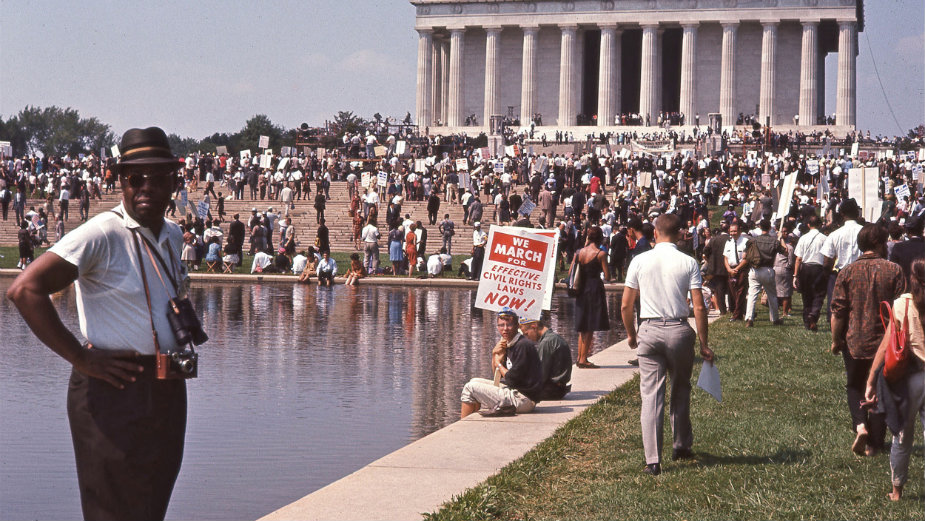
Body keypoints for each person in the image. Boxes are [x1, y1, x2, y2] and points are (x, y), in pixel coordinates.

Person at [6, 127, 191, 520]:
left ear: (173, 181)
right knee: (111, 508)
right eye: (136, 178)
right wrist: (79, 357)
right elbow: (24, 290)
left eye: (157, 177)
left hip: (166, 384)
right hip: (112, 385)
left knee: (152, 505)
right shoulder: (103, 233)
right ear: (121, 180)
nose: (146, 187)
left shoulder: (172, 234)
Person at [621, 214, 713, 476]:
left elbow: (626, 305)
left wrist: (631, 334)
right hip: (678, 329)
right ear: (680, 234)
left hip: (649, 329)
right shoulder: (688, 262)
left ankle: (652, 460)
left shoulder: (639, 260)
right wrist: (704, 343)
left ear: (655, 233)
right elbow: (698, 306)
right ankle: (681, 444)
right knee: (680, 387)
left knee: (651, 395)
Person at [831, 223, 906, 457]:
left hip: (854, 339)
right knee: (881, 390)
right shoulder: (894, 271)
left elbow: (838, 311)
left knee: (854, 385)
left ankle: (860, 425)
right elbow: (901, 309)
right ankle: (875, 444)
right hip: (885, 342)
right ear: (879, 244)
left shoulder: (846, 272)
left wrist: (836, 339)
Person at [864, 258, 925, 502]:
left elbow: (886, 345)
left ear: (913, 279)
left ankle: (897, 490)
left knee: (902, 436)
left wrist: (871, 379)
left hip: (908, 378)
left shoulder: (902, 304)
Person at [459, 308, 544, 418]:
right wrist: (495, 354)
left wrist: (498, 363)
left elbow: (511, 379)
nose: (505, 329)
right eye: (501, 325)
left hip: (524, 399)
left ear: (517, 326)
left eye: (509, 325)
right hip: (515, 392)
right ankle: (471, 420)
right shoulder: (509, 343)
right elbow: (498, 377)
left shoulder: (522, 345)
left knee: (469, 388)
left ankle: (464, 425)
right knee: (474, 381)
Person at [571, 226, 612, 368]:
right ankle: (584, 359)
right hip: (594, 288)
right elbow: (607, 276)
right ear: (600, 238)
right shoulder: (601, 254)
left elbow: (572, 271)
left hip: (581, 288)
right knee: (590, 325)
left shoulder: (579, 252)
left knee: (583, 324)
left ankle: (579, 357)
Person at [743, 219, 786, 327]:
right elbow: (785, 252)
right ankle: (775, 319)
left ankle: (749, 318)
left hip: (754, 270)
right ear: (770, 228)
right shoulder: (774, 241)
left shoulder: (753, 240)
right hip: (768, 270)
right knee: (772, 296)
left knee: (752, 295)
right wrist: (780, 238)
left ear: (760, 227)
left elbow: (744, 256)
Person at [519, 315, 572, 401]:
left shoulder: (546, 342)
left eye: (526, 334)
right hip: (559, 388)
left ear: (534, 327)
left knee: (512, 389)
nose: (527, 338)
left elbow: (540, 376)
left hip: (552, 390)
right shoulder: (553, 337)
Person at [793, 215, 828, 331]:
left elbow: (798, 258)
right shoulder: (824, 238)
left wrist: (795, 275)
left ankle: (807, 321)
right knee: (819, 294)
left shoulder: (803, 238)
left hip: (805, 268)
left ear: (808, 225)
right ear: (820, 225)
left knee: (806, 295)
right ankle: (814, 314)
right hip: (819, 268)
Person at [723, 221, 750, 321]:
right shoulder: (728, 242)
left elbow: (746, 259)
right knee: (734, 293)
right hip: (731, 270)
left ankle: (737, 315)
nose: (732, 233)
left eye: (734, 231)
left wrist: (737, 269)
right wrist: (729, 269)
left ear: (739, 231)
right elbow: (725, 258)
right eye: (731, 231)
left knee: (741, 292)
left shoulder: (746, 241)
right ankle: (743, 311)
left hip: (742, 269)